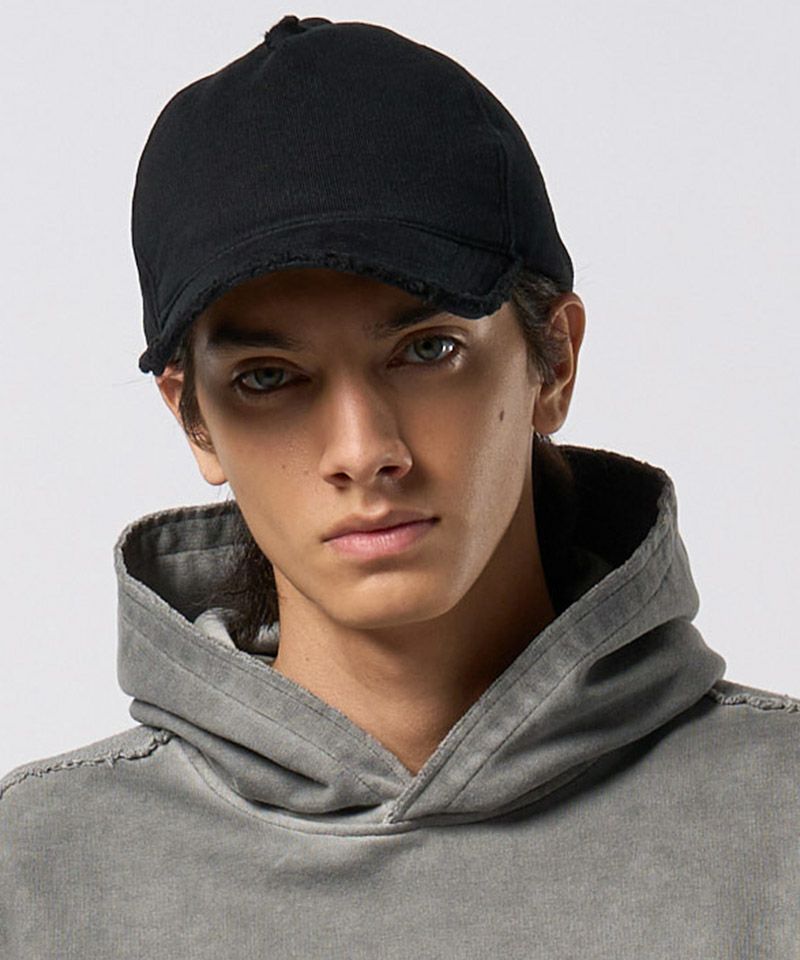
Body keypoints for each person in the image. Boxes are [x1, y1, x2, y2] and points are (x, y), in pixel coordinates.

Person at [1, 13, 797, 957]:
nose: (362, 449)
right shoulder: (35, 878)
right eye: (268, 377)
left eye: (427, 350)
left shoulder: (778, 827)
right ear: (194, 420)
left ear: (554, 362)